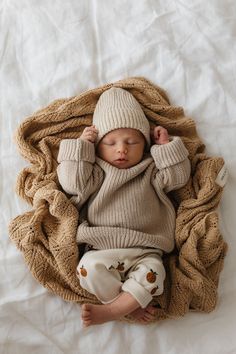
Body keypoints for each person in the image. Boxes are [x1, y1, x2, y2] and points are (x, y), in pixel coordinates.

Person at [57, 87, 191, 327]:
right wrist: (81, 148)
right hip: (102, 249)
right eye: (110, 142)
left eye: (132, 141)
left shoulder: (150, 169)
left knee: (154, 273)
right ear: (97, 146)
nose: (122, 149)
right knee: (86, 269)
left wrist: (165, 147)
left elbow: (178, 178)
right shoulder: (96, 171)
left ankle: (115, 309)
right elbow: (71, 184)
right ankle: (127, 305)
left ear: (146, 144)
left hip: (146, 248)